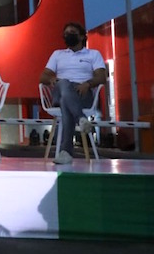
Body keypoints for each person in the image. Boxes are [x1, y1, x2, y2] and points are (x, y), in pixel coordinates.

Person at [39, 22, 108, 163]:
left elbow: (101, 77)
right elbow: (43, 77)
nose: (68, 36)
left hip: (82, 92)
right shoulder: (58, 54)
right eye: (66, 34)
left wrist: (88, 84)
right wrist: (51, 79)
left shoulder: (93, 54)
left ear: (82, 36)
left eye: (72, 33)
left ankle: (65, 153)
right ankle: (81, 118)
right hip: (60, 88)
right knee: (63, 83)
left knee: (66, 101)